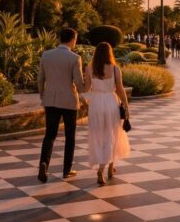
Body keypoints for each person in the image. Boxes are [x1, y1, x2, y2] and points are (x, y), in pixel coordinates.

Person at [37, 28, 85, 182]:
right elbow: (78, 83)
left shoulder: (46, 55)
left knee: (50, 134)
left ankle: (44, 163)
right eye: (76, 39)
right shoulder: (75, 58)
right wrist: (86, 85)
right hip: (69, 101)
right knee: (70, 136)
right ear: (72, 39)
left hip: (51, 100)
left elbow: (40, 79)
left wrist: (43, 96)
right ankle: (67, 169)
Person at [83, 42, 130, 185]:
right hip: (110, 102)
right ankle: (103, 168)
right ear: (110, 53)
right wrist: (126, 106)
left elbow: (86, 89)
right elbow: (120, 89)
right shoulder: (115, 69)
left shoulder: (90, 68)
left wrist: (86, 103)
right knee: (112, 134)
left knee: (99, 135)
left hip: (96, 103)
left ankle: (110, 166)